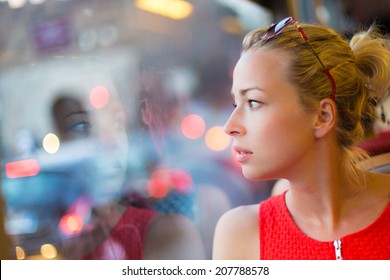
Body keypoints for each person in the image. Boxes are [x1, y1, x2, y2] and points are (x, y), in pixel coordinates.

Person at [212, 17, 390, 260]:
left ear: (322, 116)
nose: (229, 126)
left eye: (253, 102)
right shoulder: (240, 235)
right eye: (235, 103)